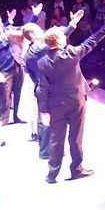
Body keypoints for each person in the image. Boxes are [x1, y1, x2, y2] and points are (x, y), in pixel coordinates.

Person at [37, 10, 105, 184]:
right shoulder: (72, 53)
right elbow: (92, 40)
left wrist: (43, 110)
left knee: (56, 138)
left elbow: (42, 88)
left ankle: (52, 174)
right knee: (75, 136)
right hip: (76, 101)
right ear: (60, 41)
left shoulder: (42, 61)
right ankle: (76, 169)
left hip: (56, 105)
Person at [23, 10, 84, 158]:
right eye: (38, 30)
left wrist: (72, 24)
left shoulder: (31, 51)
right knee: (47, 122)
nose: (42, 31)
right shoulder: (37, 49)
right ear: (32, 35)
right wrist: (71, 25)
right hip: (47, 90)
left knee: (44, 120)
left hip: (42, 88)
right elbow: (54, 41)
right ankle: (45, 151)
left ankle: (45, 150)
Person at [0, 10, 27, 125]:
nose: (0, 18)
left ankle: (17, 115)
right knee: (4, 95)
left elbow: (24, 29)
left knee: (19, 92)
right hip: (4, 69)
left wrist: (35, 15)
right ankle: (4, 119)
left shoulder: (6, 30)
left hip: (17, 64)